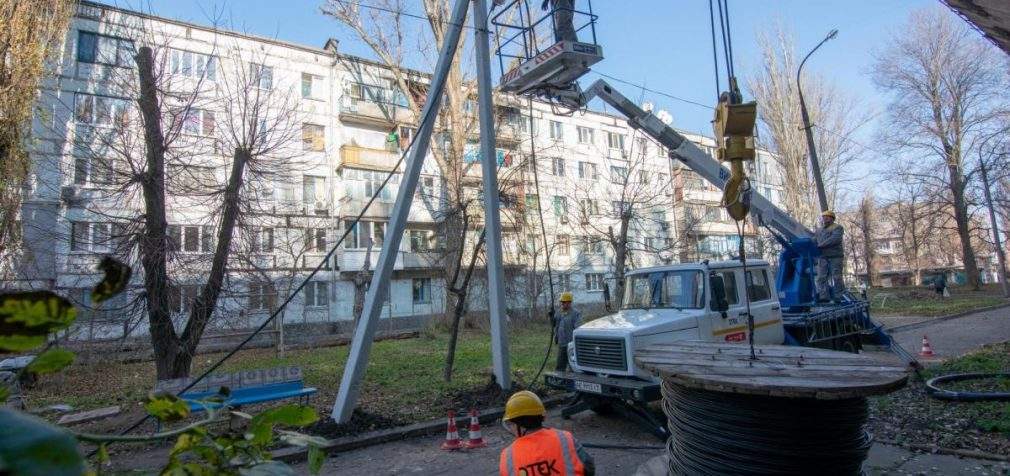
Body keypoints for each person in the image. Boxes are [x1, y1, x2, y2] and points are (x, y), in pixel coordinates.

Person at [499, 390, 595, 476]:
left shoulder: (508, 456)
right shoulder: (565, 438)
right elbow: (589, 467)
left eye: (511, 424)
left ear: (518, 425)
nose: (511, 428)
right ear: (542, 417)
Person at [814, 210, 846, 302]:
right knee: (821, 277)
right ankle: (823, 297)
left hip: (835, 256)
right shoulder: (819, 230)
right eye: (824, 217)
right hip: (823, 257)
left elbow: (835, 239)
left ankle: (838, 296)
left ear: (832, 218)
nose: (825, 218)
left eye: (827, 217)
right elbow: (814, 239)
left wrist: (821, 245)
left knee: (836, 276)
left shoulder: (838, 228)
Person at [554, 292, 581, 371]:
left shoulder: (576, 313)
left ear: (569, 302)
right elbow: (555, 325)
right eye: (561, 302)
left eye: (564, 302)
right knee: (560, 365)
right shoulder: (559, 312)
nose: (562, 304)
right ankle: (559, 381)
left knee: (573, 366)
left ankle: (573, 381)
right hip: (562, 343)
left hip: (571, 344)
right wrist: (551, 317)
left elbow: (577, 328)